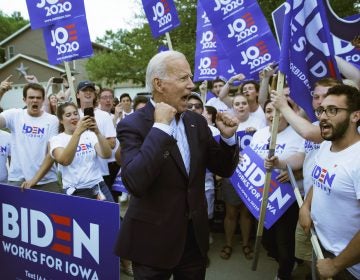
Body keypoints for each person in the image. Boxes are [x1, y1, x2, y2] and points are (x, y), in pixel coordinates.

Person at [114, 50, 239, 280]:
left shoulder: (196, 122)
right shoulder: (132, 125)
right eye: (184, 78)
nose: (191, 85)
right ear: (159, 84)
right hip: (151, 241)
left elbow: (224, 168)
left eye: (190, 78)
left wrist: (229, 139)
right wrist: (160, 128)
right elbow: (135, 182)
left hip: (193, 240)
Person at [299, 85, 360, 279]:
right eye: (321, 110)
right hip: (321, 249)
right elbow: (319, 181)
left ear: (355, 116)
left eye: (333, 110)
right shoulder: (326, 147)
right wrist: (306, 207)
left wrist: (336, 265)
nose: (323, 116)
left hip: (349, 268)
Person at [250, 100, 304, 280]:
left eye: (278, 111)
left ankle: (284, 272)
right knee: (266, 240)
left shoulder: (300, 134)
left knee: (284, 241)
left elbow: (311, 161)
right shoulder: (259, 134)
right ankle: (289, 260)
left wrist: (298, 173)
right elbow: (250, 158)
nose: (272, 115)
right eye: (268, 111)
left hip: (286, 198)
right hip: (262, 196)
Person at [220, 94, 265, 261]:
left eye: (243, 103)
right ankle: (228, 244)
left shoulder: (259, 122)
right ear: (233, 106)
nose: (240, 106)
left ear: (249, 105)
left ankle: (246, 244)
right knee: (230, 213)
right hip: (232, 174)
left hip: (251, 174)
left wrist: (257, 134)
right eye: (237, 104)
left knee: (246, 214)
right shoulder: (226, 123)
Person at [0, 82, 60, 192]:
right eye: (31, 97)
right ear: (24, 100)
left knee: (56, 209)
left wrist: (34, 180)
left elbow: (51, 154)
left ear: (43, 100)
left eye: (38, 98)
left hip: (46, 181)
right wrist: (1, 93)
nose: (35, 100)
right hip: (17, 179)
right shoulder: (15, 115)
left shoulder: (52, 120)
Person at [76, 80, 117, 201]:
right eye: (84, 91)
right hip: (79, 176)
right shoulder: (73, 115)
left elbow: (112, 144)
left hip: (101, 173)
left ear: (95, 95)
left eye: (91, 91)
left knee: (106, 212)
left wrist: (95, 137)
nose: (88, 93)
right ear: (78, 94)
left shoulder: (104, 115)